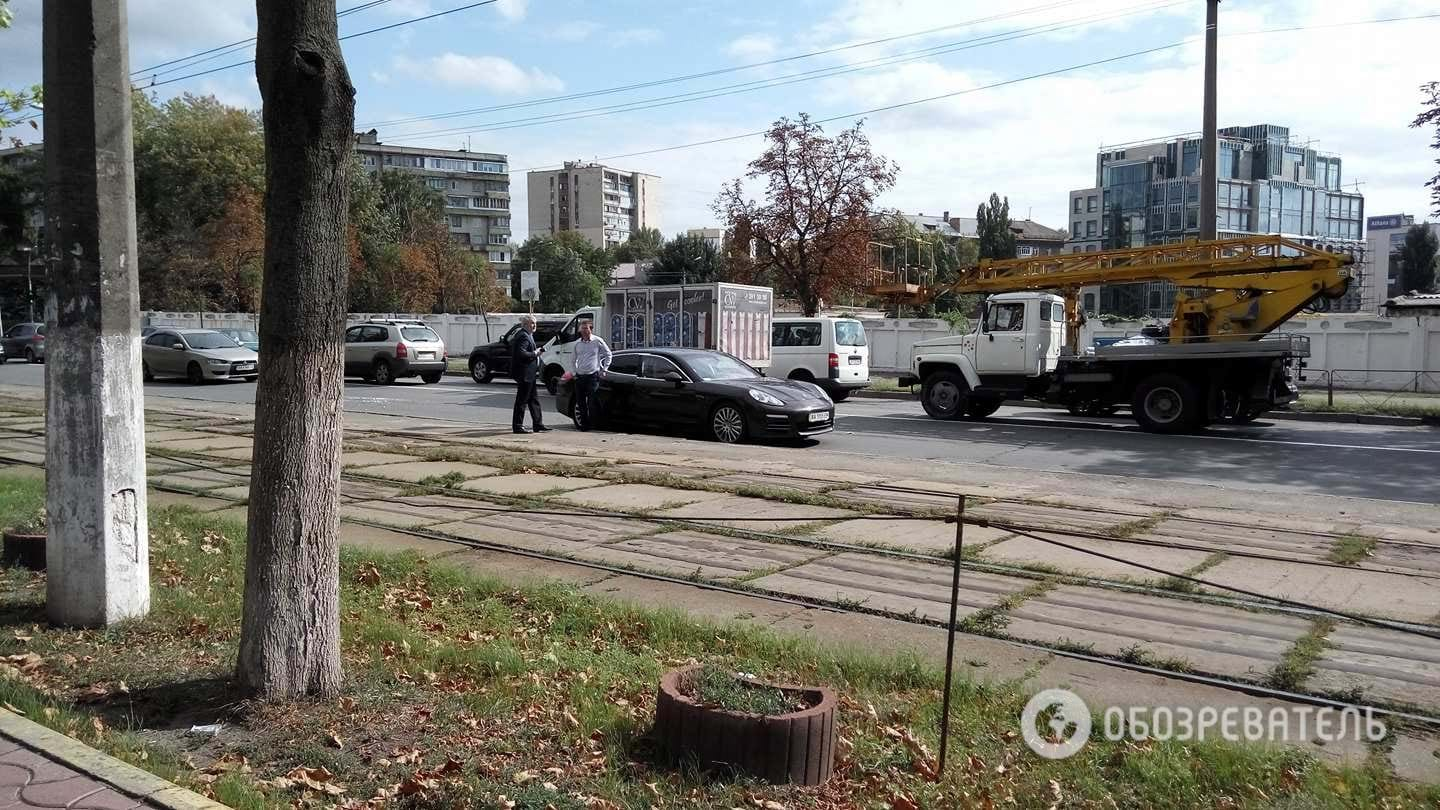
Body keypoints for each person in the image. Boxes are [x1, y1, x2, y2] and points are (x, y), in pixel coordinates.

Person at [510, 315, 549, 434]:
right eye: (532, 323)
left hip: (530, 374)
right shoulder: (523, 336)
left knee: (533, 400)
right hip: (524, 373)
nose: (534, 325)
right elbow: (521, 354)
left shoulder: (527, 335)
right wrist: (535, 353)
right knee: (522, 401)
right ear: (525, 324)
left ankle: (538, 424)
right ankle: (517, 426)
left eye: (535, 323)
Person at [571, 318, 611, 431]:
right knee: (581, 402)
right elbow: (573, 360)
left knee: (592, 401)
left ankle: (595, 422)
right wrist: (575, 373)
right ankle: (584, 425)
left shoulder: (597, 341)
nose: (584, 331)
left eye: (586, 328)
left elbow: (608, 354)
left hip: (592, 376)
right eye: (582, 329)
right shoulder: (577, 344)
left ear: (591, 329)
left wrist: (604, 369)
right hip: (580, 376)